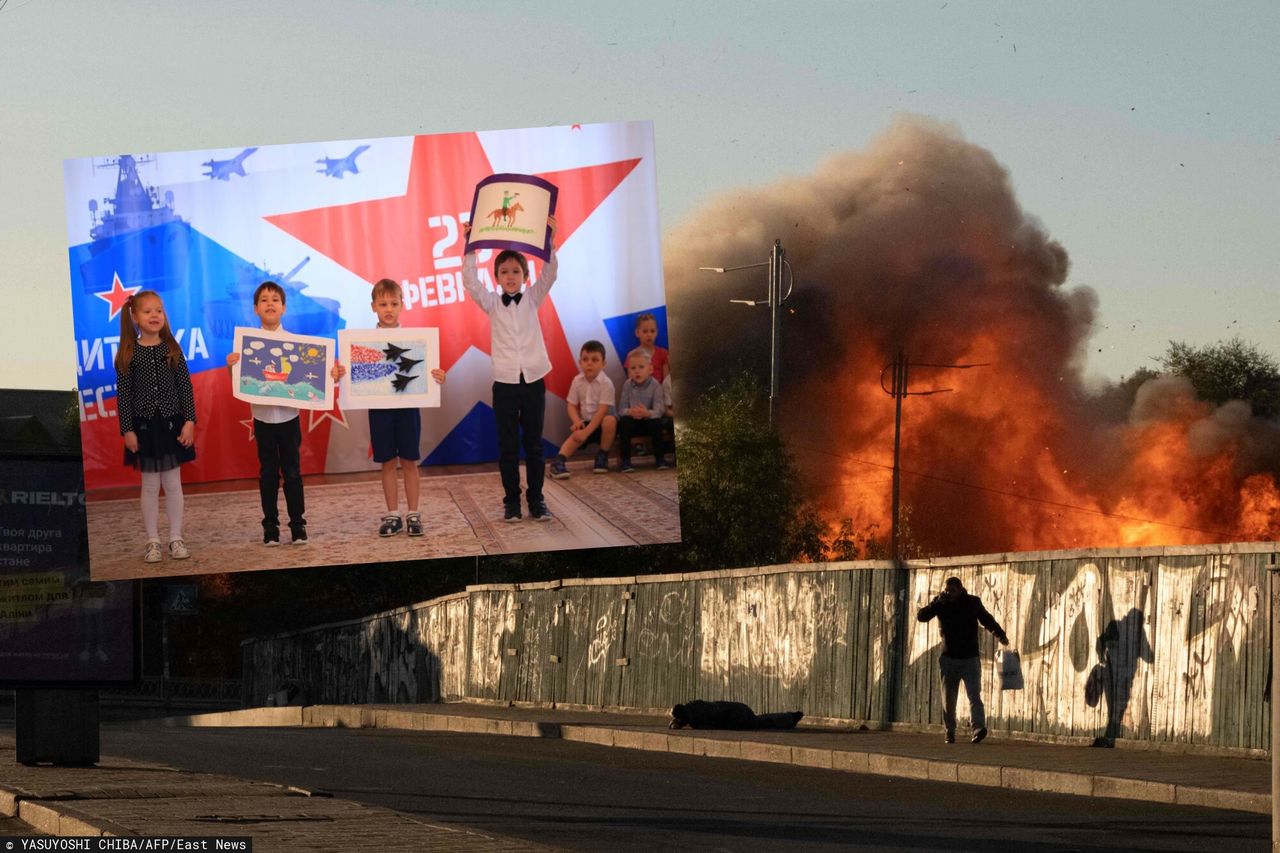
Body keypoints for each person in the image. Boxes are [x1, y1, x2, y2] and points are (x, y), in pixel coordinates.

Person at [226, 281, 341, 546]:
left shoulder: (296, 344)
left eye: (275, 299)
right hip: (263, 420)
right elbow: (238, 381)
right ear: (255, 309)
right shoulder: (246, 345)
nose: (269, 303)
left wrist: (331, 374)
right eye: (264, 300)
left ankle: (298, 525)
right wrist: (232, 366)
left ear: (284, 308)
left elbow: (316, 378)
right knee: (267, 473)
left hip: (289, 419)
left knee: (292, 472)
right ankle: (270, 527)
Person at [460, 216, 558, 522]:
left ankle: (537, 499)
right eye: (504, 272)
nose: (510, 276)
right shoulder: (491, 302)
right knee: (507, 446)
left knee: (534, 444)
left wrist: (549, 237)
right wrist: (470, 245)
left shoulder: (532, 298)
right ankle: (511, 502)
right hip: (504, 383)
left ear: (525, 276)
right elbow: (470, 281)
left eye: (516, 271)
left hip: (533, 379)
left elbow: (551, 273)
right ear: (497, 278)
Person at [330, 279, 445, 537]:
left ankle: (414, 513)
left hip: (408, 409)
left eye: (394, 303)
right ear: (373, 307)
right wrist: (340, 373)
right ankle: (393, 514)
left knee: (410, 460)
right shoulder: (361, 343)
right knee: (387, 462)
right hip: (379, 411)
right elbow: (352, 375)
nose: (389, 309)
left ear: (403, 305)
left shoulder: (416, 341)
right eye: (383, 304)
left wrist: (437, 375)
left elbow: (428, 373)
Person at [113, 290, 197, 564]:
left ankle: (175, 537)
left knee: (173, 484)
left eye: (158, 310)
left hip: (172, 425)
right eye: (147, 311)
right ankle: (152, 541)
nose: (154, 315)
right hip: (144, 428)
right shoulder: (128, 352)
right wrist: (127, 429)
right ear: (135, 316)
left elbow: (185, 387)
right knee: (149, 485)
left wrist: (189, 421)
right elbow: (123, 395)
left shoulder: (172, 349)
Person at [916, 576, 1009, 744]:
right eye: (947, 591)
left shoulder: (972, 603)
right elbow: (921, 616)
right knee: (949, 699)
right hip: (948, 659)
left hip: (970, 658)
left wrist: (1000, 634)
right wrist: (936, 604)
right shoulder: (941, 604)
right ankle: (949, 731)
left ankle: (978, 728)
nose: (949, 594)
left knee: (974, 694)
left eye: (952, 591)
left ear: (960, 590)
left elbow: (986, 619)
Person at [549, 340, 617, 479]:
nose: (589, 363)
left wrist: (586, 432)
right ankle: (559, 462)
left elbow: (602, 412)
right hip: (587, 421)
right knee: (576, 435)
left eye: (595, 360)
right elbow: (571, 404)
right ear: (580, 362)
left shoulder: (607, 383)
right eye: (585, 359)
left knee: (609, 420)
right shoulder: (577, 381)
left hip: (603, 422)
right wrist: (577, 421)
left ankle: (602, 456)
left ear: (603, 364)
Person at [617, 351, 668, 472]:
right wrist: (630, 411)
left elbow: (659, 409)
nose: (637, 371)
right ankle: (626, 461)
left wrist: (647, 413)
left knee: (656, 423)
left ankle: (660, 459)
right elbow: (621, 409)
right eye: (633, 368)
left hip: (648, 420)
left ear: (650, 369)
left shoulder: (656, 385)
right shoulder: (627, 385)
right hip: (633, 421)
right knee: (624, 423)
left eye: (641, 367)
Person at [668, 701, 803, 731]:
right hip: (736, 710)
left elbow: (706, 725)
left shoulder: (695, 717)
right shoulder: (693, 707)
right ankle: (790, 717)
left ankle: (790, 718)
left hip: (736, 716)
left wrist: (679, 723)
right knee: (761, 721)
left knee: (762, 723)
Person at [626, 312, 668, 383]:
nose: (649, 335)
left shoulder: (662, 353)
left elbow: (666, 381)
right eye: (645, 331)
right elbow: (631, 382)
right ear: (637, 333)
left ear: (656, 332)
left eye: (652, 331)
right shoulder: (631, 355)